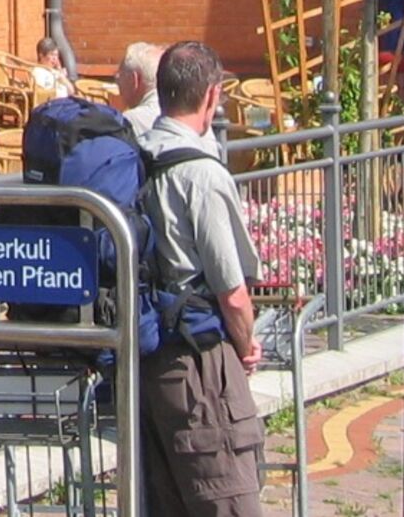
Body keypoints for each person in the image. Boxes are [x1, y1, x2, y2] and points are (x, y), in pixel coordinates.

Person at [140, 40, 266, 517]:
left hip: (153, 359)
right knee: (229, 501)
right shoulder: (201, 174)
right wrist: (246, 344)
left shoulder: (140, 154)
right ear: (211, 96)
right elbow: (232, 293)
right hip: (202, 367)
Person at [118, 41, 164, 140]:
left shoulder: (128, 122)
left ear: (134, 79)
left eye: (120, 75)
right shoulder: (188, 111)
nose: (117, 82)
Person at [31, 36, 76, 103]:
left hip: (66, 104)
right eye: (52, 55)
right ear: (41, 55)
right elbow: (43, 97)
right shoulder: (38, 72)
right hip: (55, 107)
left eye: (56, 55)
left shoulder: (56, 72)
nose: (55, 58)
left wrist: (63, 78)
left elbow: (72, 91)